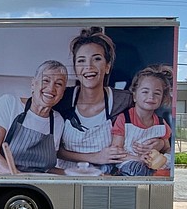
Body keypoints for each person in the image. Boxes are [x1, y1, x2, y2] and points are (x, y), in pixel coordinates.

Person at [55, 27, 133, 173]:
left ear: (107, 66)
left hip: (106, 180)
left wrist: (159, 143)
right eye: (81, 60)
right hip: (65, 177)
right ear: (75, 69)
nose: (88, 67)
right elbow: (53, 150)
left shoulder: (123, 101)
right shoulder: (62, 99)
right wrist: (95, 157)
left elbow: (141, 133)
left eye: (97, 59)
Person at [0, 60, 68, 175]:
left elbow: (45, 169)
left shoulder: (58, 121)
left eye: (58, 84)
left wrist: (71, 174)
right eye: (46, 80)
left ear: (63, 93)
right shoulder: (10, 104)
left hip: (31, 185)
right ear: (33, 84)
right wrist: (18, 177)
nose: (51, 88)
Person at [110, 65, 173, 176]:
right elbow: (117, 152)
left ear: (162, 98)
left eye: (157, 93)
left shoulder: (161, 123)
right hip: (129, 163)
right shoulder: (124, 119)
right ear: (134, 95)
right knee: (138, 169)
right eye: (145, 92)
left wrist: (162, 150)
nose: (151, 97)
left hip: (154, 166)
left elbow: (167, 149)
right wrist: (139, 158)